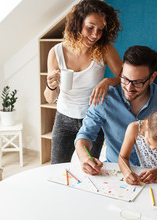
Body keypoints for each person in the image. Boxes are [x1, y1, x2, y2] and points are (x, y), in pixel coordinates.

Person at [75, 45, 157, 182]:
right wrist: (84, 158)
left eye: (137, 83)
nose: (129, 88)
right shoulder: (104, 98)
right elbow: (85, 134)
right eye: (125, 79)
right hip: (117, 172)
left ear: (152, 77)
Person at [44, 0, 123, 164]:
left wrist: (108, 81)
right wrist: (51, 85)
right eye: (90, 27)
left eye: (101, 30)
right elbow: (50, 99)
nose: (95, 35)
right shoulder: (56, 52)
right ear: (78, 23)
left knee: (91, 168)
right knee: (57, 168)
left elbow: (125, 79)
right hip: (63, 118)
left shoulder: (105, 49)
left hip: (93, 119)